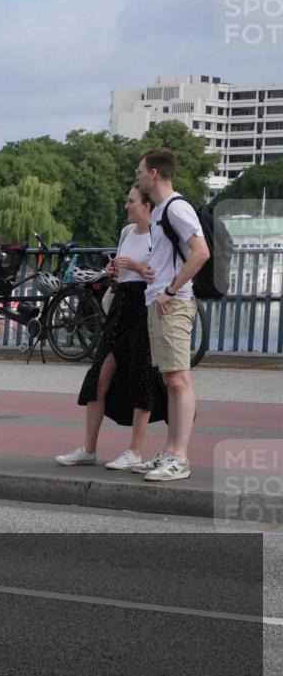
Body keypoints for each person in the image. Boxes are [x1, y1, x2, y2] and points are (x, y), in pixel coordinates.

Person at [55, 184, 167, 470]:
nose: (126, 206)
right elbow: (121, 275)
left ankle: (135, 451)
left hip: (144, 307)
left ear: (146, 206)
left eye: (131, 201)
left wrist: (137, 268)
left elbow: (163, 276)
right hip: (120, 306)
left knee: (142, 375)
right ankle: (88, 448)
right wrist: (113, 271)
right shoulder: (127, 232)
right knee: (98, 376)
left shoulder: (159, 235)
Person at [133, 148, 209, 482]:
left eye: (140, 171)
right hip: (161, 300)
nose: (137, 176)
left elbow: (200, 252)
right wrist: (154, 272)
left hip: (174, 303)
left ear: (153, 173)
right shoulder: (162, 209)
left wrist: (171, 289)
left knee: (179, 379)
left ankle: (180, 456)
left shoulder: (177, 207)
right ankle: (170, 451)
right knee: (170, 379)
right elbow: (173, 255)